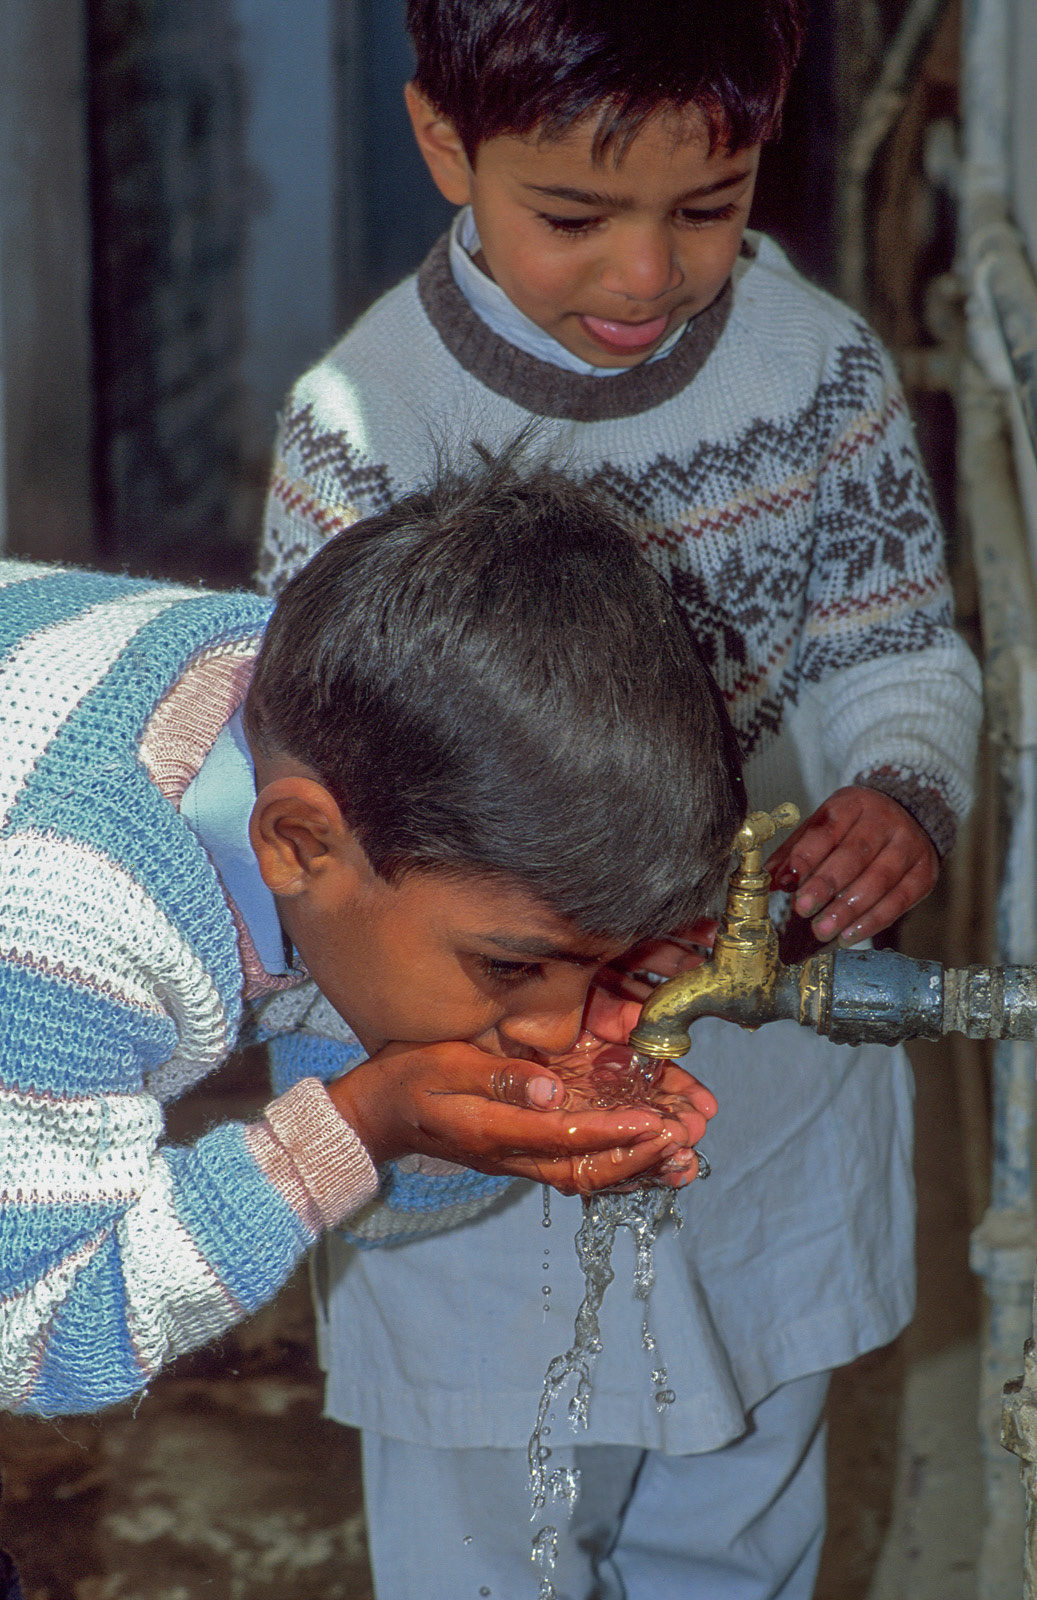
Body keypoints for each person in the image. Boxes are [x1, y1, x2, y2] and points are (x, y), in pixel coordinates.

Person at [257, 3, 984, 1597]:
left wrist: (899, 788)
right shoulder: (366, 426)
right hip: (494, 1105)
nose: (646, 275)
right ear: (445, 143)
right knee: (485, 1540)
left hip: (761, 1084)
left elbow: (895, 647)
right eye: (573, 217)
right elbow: (318, 786)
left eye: (708, 206)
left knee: (734, 1528)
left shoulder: (815, 373)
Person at [0, 457, 743, 1419]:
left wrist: (427, 1116)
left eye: (594, 967)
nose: (558, 1033)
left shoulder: (331, 719)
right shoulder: (75, 908)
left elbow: (382, 1207)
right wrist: (358, 1124)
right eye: (512, 966)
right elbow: (33, 1334)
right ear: (297, 842)